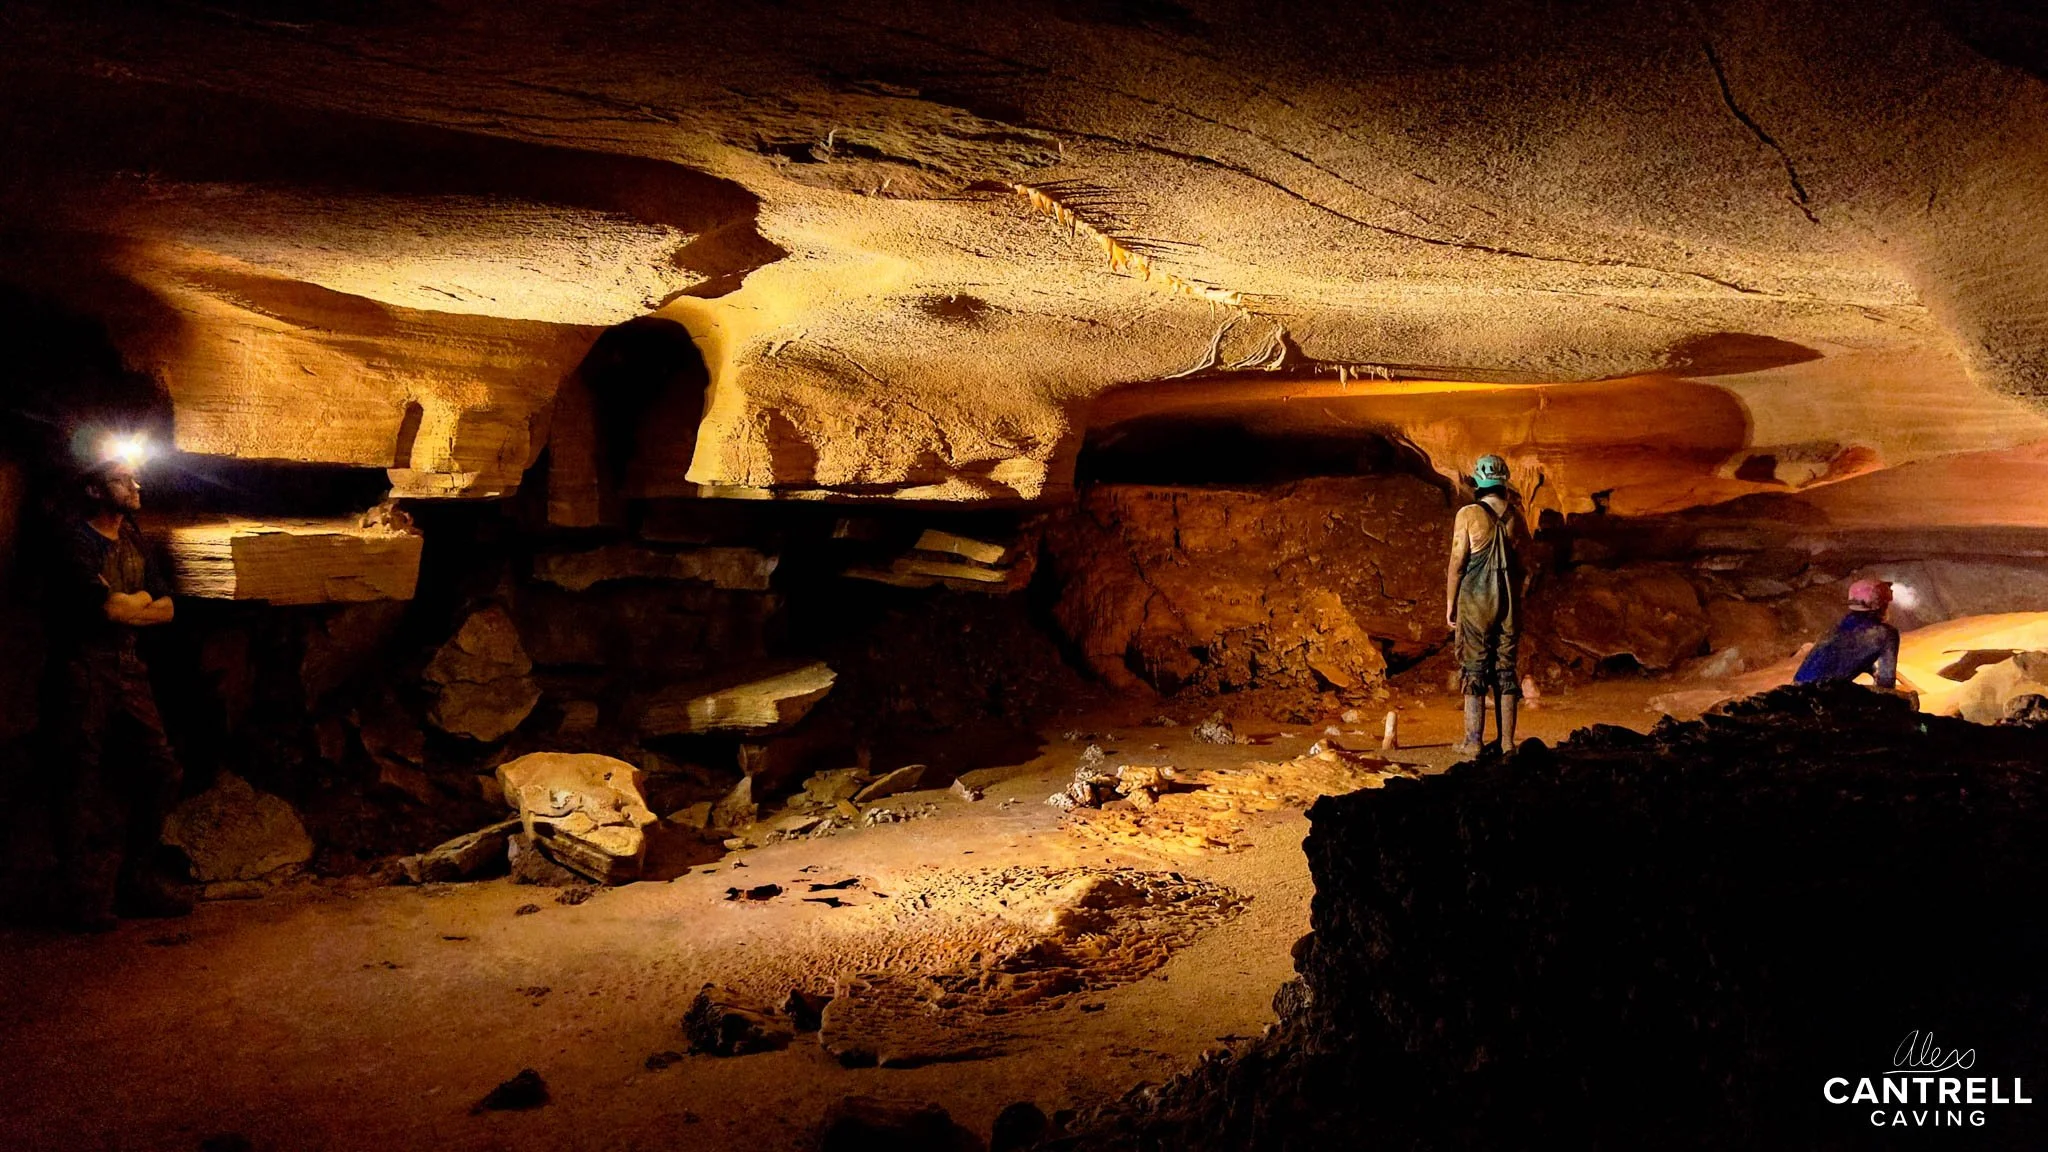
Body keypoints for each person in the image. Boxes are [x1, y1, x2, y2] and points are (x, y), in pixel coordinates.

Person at [50, 443, 190, 931]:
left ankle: (136, 879)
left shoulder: (133, 537)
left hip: (128, 666)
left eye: (135, 479)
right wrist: (134, 605)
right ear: (93, 489)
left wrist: (131, 603)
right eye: (121, 480)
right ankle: (81, 898)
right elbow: (103, 610)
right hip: (84, 668)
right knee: (80, 777)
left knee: (161, 769)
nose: (136, 486)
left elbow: (168, 608)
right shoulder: (74, 542)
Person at [1445, 454, 1526, 756]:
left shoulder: (1468, 515)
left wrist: (1451, 602)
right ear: (1504, 480)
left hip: (1476, 601)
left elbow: (1457, 563)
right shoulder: (1515, 516)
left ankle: (1473, 741)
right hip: (1507, 603)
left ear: (1478, 480)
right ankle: (1507, 743)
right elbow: (1521, 565)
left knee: (1475, 668)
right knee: (1505, 668)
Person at [1793, 579, 1901, 691]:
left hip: (1795, 691)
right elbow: (1886, 683)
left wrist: (1872, 669)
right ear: (1882, 606)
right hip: (1823, 697)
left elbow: (1846, 655)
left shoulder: (1838, 626)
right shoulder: (1887, 634)